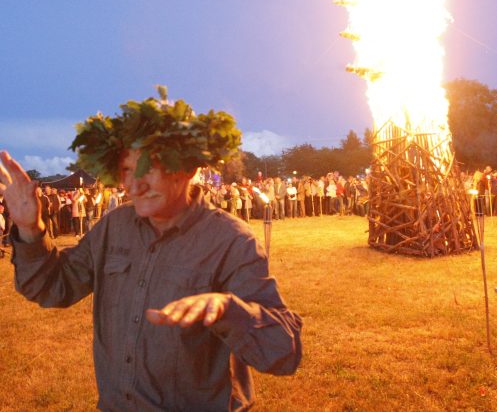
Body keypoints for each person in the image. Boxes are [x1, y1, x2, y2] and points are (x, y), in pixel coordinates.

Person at [0, 87, 301, 411]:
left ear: (187, 169)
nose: (134, 185)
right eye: (127, 170)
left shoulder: (231, 241)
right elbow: (53, 287)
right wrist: (30, 228)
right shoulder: (114, 227)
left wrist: (230, 311)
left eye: (149, 169)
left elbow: (284, 352)